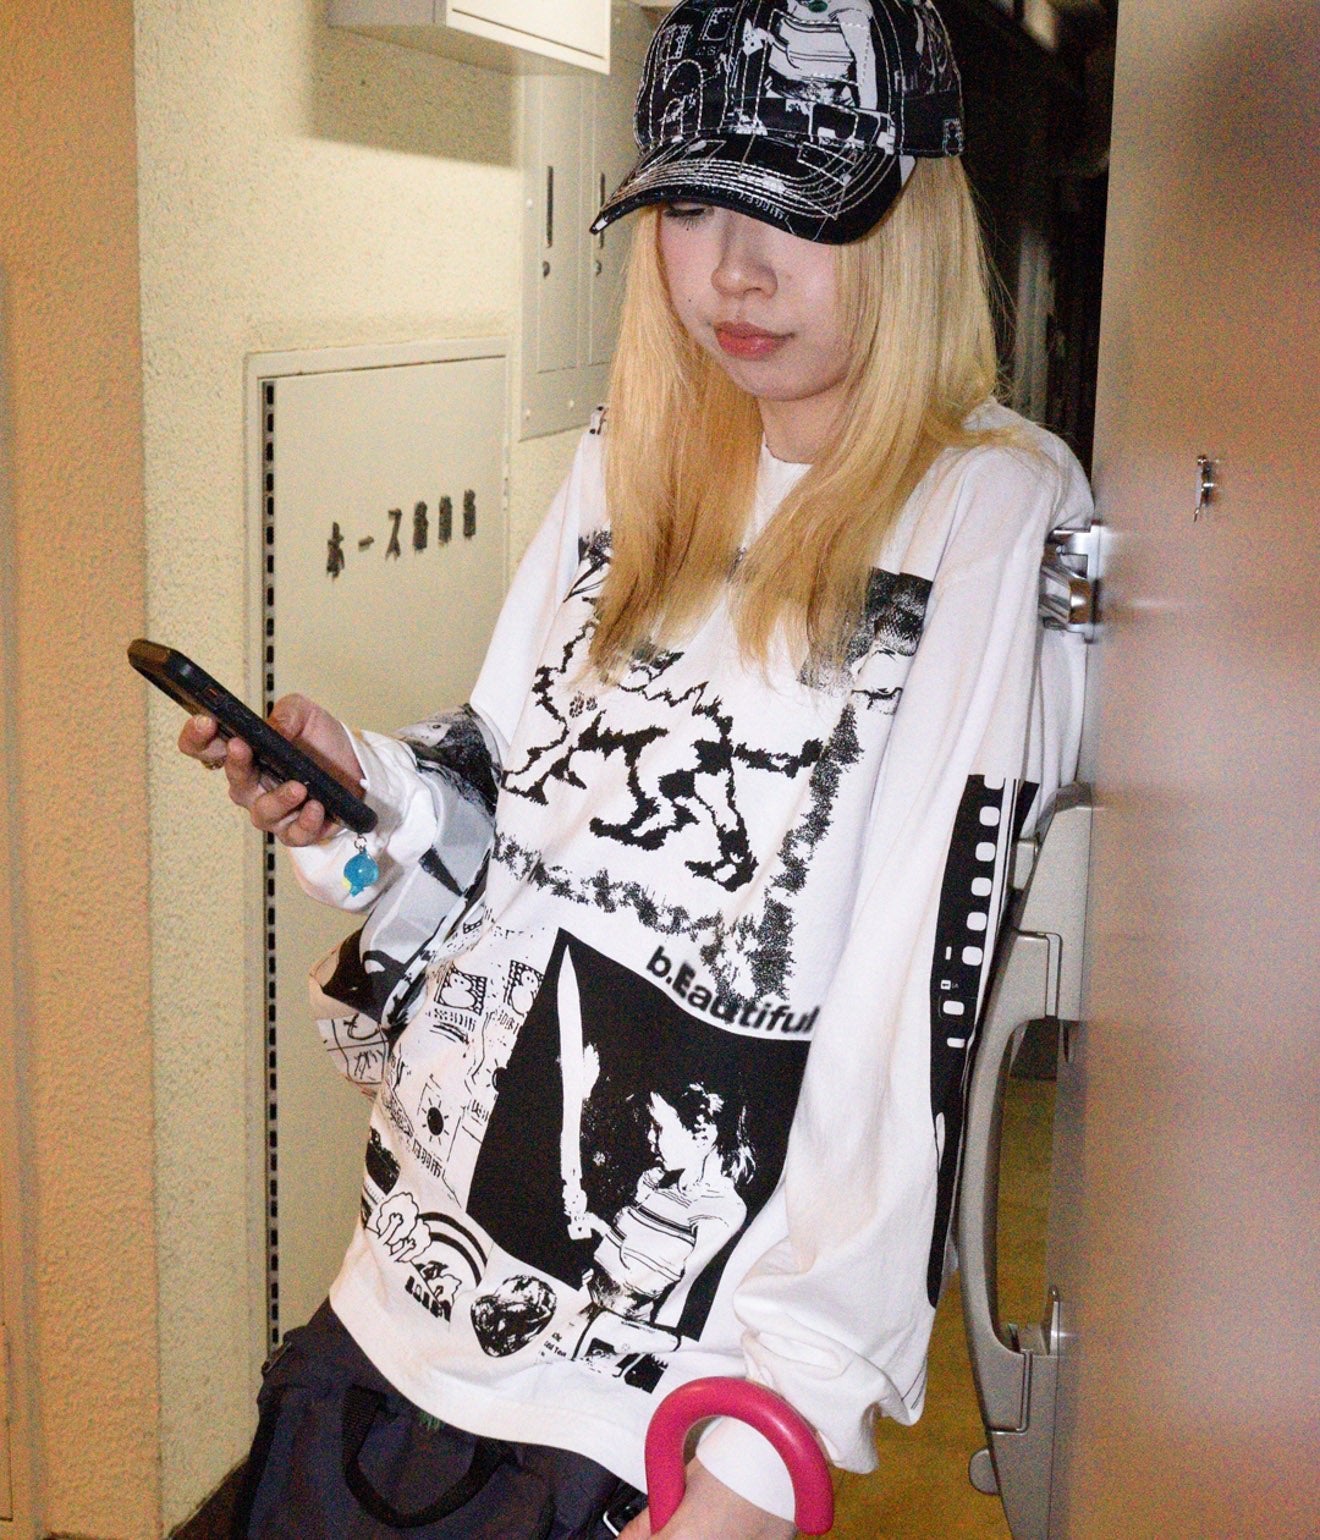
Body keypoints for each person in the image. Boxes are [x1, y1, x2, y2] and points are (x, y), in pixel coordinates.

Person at [181, 2, 1090, 1535]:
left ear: (917, 214)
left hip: (646, 1415)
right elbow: (517, 802)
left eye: (798, 209)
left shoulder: (987, 514)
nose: (733, 270)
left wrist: (764, 1457)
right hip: (396, 1300)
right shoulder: (637, 455)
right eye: (690, 206)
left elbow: (911, 1029)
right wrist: (366, 791)